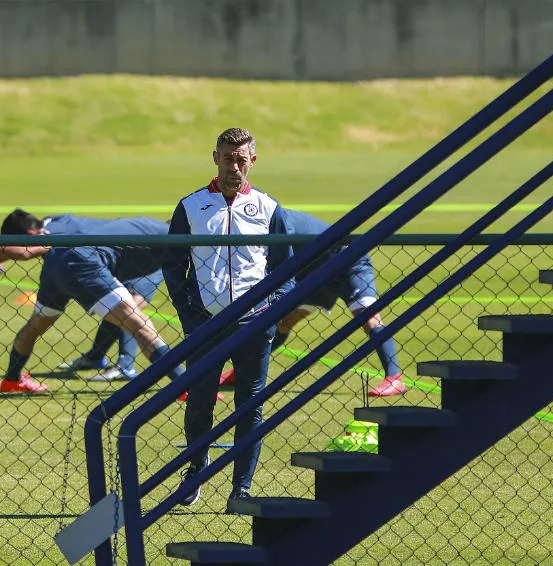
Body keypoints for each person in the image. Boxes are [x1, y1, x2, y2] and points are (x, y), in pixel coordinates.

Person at [163, 127, 293, 509]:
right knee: (201, 400)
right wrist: (188, 312)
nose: (234, 166)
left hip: (255, 321)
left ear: (252, 161)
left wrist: (273, 313)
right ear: (215, 158)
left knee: (250, 405)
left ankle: (242, 487)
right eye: (227, 157)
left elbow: (285, 269)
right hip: (205, 322)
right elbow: (173, 265)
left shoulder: (269, 208)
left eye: (241, 159)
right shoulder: (190, 206)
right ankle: (195, 473)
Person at [0, 207, 165, 382]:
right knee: (125, 314)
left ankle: (125, 366)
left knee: (131, 312)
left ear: (31, 234)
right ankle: (99, 357)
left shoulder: (48, 237)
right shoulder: (56, 220)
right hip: (97, 259)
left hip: (131, 256)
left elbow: (29, 251)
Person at [276, 209, 406, 397]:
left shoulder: (277, 220)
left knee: (369, 316)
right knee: (284, 322)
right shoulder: (269, 219)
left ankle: (394, 379)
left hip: (348, 259)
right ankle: (243, 373)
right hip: (317, 271)